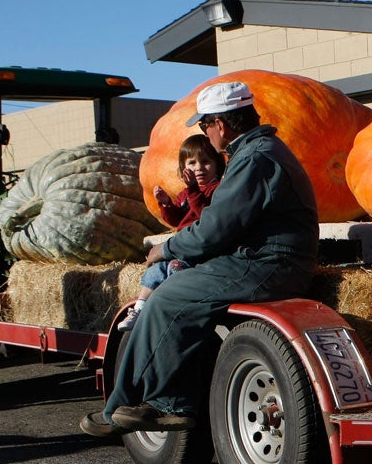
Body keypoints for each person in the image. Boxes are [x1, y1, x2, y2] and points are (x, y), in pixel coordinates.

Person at [80, 81, 319, 435]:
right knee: (177, 290)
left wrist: (168, 248)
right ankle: (128, 404)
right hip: (263, 258)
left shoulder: (254, 158)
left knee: (167, 299)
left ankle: (162, 404)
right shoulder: (258, 151)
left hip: (267, 263)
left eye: (205, 125)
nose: (206, 133)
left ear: (220, 125)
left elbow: (214, 230)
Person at [118, 134, 225, 331]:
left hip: (199, 250)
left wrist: (193, 190)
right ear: (183, 168)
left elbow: (206, 216)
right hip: (181, 245)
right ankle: (140, 307)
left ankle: (175, 311)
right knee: (155, 271)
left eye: (206, 162)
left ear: (217, 164)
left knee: (175, 269)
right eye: (192, 162)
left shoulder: (217, 190)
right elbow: (176, 220)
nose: (199, 168)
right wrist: (166, 204)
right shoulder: (186, 193)